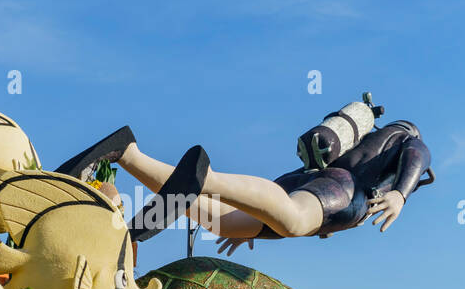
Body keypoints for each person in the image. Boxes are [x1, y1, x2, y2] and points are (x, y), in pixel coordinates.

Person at [57, 93, 434, 249]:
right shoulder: (404, 136)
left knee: (226, 223)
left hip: (302, 182)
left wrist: (258, 211)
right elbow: (420, 152)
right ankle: (206, 180)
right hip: (341, 191)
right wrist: (400, 193)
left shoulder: (371, 137)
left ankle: (128, 153)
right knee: (295, 220)